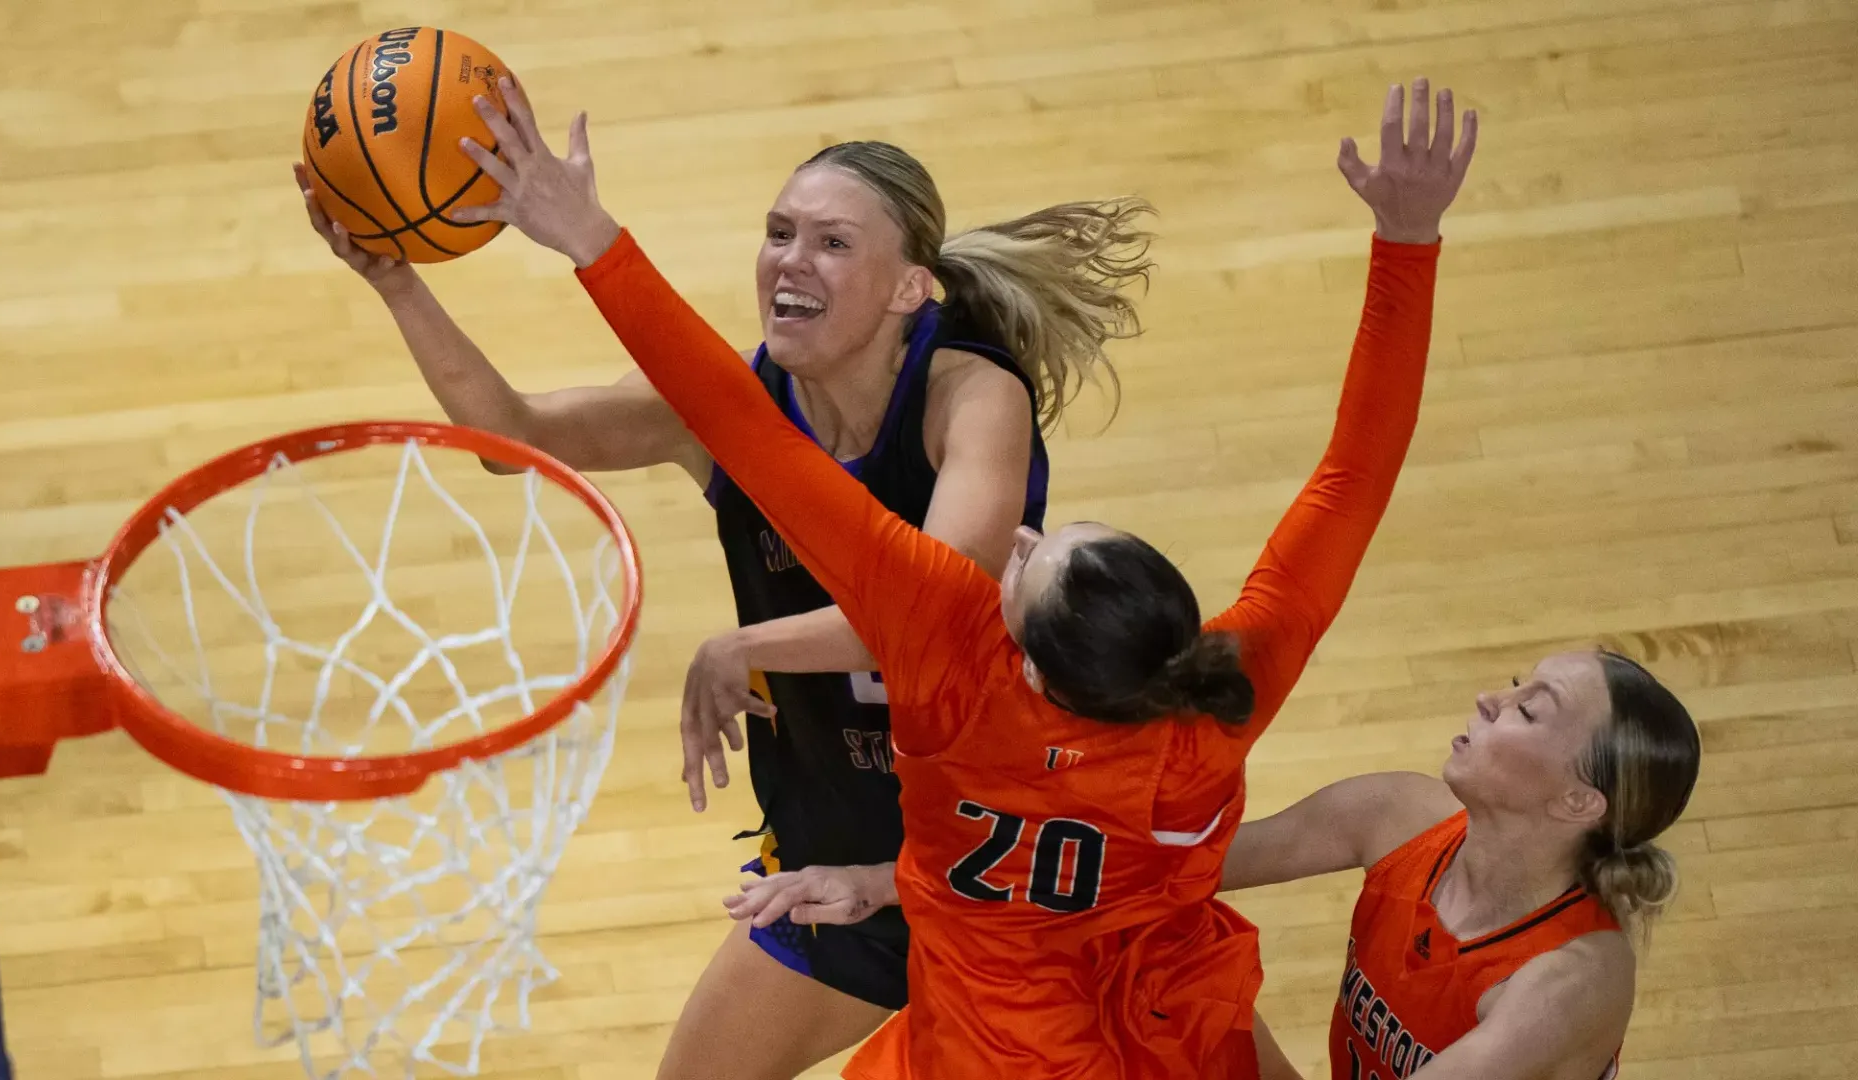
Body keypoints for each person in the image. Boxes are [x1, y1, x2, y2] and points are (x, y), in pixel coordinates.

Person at [455, 75, 1475, 1077]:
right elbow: (1351, 484)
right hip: (1170, 1040)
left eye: (1037, 559)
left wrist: (595, 242)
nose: (1018, 544)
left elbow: (741, 427)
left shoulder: (951, 683)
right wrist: (1409, 245)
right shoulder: (1217, 712)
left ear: (1029, 662)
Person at [293, 130, 1155, 1078]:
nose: (791, 258)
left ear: (912, 287)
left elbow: (932, 611)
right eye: (780, 231)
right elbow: (512, 439)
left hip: (1015, 856)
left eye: (832, 242)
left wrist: (741, 645)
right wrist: (397, 282)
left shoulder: (970, 398)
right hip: (839, 861)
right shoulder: (727, 403)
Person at [1222, 649, 1701, 1080]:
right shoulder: (1394, 814)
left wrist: (1207, 1004)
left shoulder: (1569, 984)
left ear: (1578, 801)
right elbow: (1187, 867)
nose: (1489, 699)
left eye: (1529, 710)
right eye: (1517, 683)